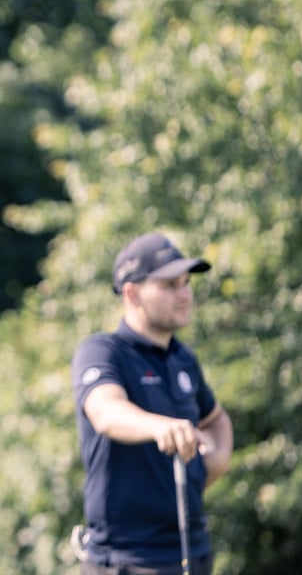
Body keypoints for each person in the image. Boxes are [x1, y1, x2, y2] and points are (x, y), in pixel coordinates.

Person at [71, 232, 234, 575]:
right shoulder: (103, 351)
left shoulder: (183, 358)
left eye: (186, 283)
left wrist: (213, 464)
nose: (185, 294)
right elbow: (105, 411)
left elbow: (215, 418)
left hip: (193, 551)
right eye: (169, 285)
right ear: (132, 293)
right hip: (126, 561)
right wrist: (159, 425)